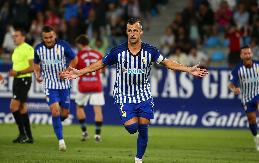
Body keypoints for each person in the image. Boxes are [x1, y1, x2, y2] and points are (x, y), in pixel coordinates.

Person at [61, 18, 208, 163]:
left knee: (143, 128)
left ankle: (138, 160)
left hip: (144, 95)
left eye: (135, 30)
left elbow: (167, 63)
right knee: (132, 128)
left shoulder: (150, 51)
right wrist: (79, 72)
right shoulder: (117, 51)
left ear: (141, 32)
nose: (132, 33)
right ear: (126, 32)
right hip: (124, 95)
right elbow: (99, 64)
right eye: (130, 30)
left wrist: (188, 69)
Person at [34, 26, 77, 151]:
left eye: (50, 37)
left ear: (55, 36)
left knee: (64, 114)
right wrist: (37, 75)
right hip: (49, 84)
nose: (48, 40)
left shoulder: (63, 45)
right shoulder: (39, 48)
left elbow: (75, 59)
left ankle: (58, 121)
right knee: (55, 111)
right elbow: (36, 63)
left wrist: (67, 71)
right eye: (46, 38)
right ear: (43, 38)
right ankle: (61, 141)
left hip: (64, 85)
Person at [228, 45, 259, 151]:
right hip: (246, 97)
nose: (247, 55)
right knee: (251, 120)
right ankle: (256, 138)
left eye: (249, 53)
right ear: (241, 55)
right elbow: (230, 84)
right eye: (245, 53)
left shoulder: (258, 65)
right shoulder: (237, 69)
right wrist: (234, 89)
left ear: (251, 54)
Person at [74, 35, 105, 142]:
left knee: (79, 107)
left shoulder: (78, 55)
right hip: (96, 85)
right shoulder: (98, 54)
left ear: (80, 44)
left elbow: (75, 70)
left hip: (83, 85)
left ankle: (84, 132)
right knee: (97, 110)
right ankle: (97, 135)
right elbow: (103, 69)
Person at [9, 28, 34, 144]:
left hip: (24, 79)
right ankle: (28, 136)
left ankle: (23, 134)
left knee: (13, 107)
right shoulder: (16, 50)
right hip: (17, 80)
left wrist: (17, 72)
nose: (14, 38)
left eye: (17, 36)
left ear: (23, 37)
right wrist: (14, 72)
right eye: (14, 36)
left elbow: (32, 68)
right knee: (22, 107)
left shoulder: (28, 48)